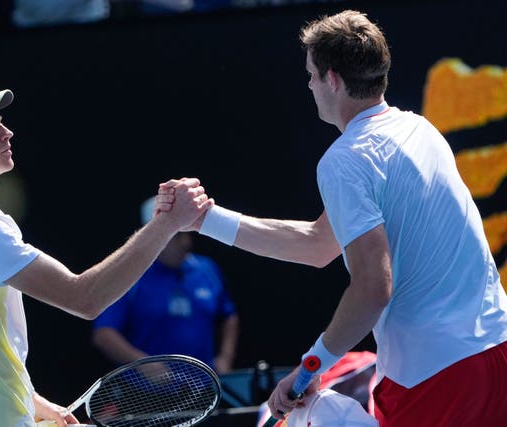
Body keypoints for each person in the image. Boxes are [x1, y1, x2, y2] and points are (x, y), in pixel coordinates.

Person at [157, 10, 507, 427]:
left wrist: (311, 367)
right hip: (496, 352)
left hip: (437, 377)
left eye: (311, 75)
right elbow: (320, 243)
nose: (309, 84)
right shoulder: (421, 130)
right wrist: (205, 219)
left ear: (334, 80)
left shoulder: (346, 160)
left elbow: (374, 287)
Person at [0, 86, 212, 427]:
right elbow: (84, 298)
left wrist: (33, 403)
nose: (7, 132)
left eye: (1, 122)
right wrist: (169, 222)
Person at [91, 196, 239, 374]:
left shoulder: (207, 270)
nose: (186, 243)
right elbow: (104, 334)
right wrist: (143, 363)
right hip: (145, 395)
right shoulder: (129, 276)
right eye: (176, 236)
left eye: (187, 232)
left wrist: (225, 357)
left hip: (204, 391)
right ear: (150, 236)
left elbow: (229, 316)